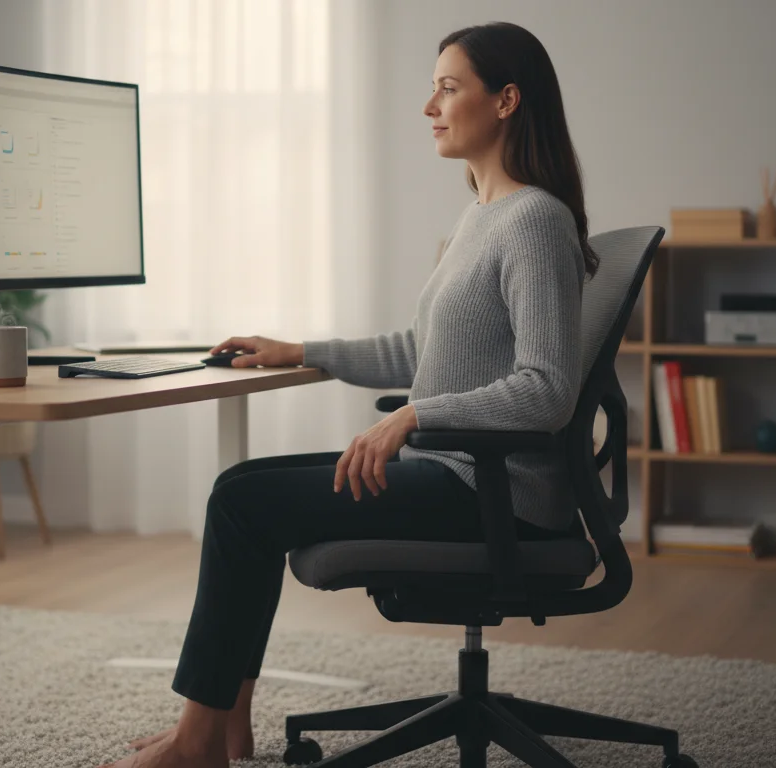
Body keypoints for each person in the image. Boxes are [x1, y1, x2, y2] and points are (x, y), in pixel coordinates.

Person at [102, 20, 597, 768]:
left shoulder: (534, 221)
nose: (429, 105)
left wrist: (415, 414)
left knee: (242, 507)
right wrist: (302, 351)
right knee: (239, 487)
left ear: (506, 101)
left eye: (448, 88)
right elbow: (421, 349)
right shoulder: (482, 217)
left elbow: (547, 392)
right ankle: (223, 725)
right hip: (456, 470)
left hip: (496, 494)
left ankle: (196, 744)